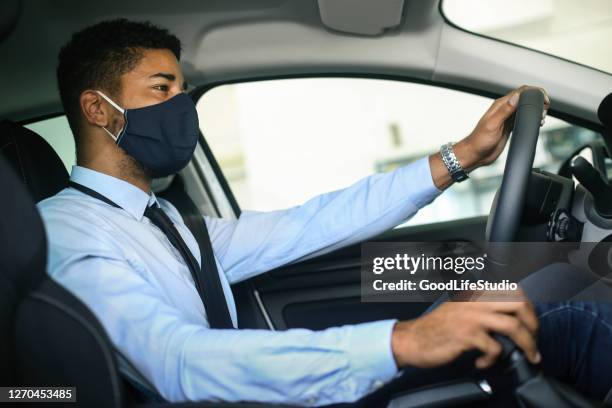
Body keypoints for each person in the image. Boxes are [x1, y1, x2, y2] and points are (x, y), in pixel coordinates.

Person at [38, 19, 611, 406]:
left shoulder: (165, 225)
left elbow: (317, 221)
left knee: (491, 300)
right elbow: (175, 361)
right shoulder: (64, 233)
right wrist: (403, 341)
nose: (181, 107)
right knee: (568, 327)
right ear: (98, 109)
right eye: (162, 89)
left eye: (183, 91)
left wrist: (460, 156)